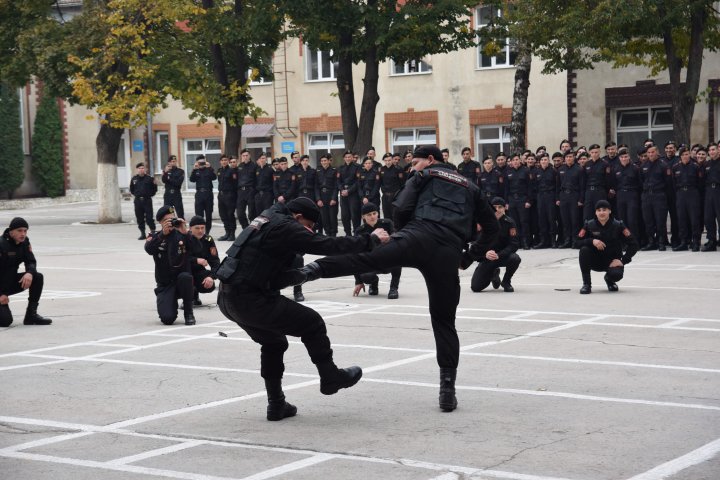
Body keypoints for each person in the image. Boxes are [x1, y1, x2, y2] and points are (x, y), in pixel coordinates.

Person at [291, 145, 499, 412]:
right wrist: (469, 257)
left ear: (430, 160)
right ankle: (447, 388)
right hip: (448, 250)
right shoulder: (472, 187)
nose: (412, 168)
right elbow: (491, 228)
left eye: (416, 163)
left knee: (367, 257)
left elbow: (400, 205)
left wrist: (403, 235)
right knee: (444, 320)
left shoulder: (425, 176)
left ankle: (311, 271)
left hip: (416, 235)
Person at [215, 197, 390, 421]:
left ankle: (276, 404)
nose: (308, 232)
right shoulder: (287, 226)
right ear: (298, 217)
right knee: (312, 323)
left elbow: (268, 271)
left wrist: (302, 275)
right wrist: (369, 240)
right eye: (308, 227)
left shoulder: (269, 216)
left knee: (274, 342)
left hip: (228, 298)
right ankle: (330, 377)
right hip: (250, 300)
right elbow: (326, 245)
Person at [144, 206, 196, 326]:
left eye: (174, 219)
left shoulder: (182, 235)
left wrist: (186, 232)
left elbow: (197, 248)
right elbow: (149, 249)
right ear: (161, 222)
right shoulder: (155, 236)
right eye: (168, 220)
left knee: (186, 277)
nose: (172, 222)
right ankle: (170, 302)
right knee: (167, 319)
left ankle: (189, 312)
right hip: (165, 284)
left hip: (181, 281)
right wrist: (163, 234)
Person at [577, 200, 639, 294]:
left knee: (616, 274)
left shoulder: (618, 225)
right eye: (599, 210)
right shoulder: (589, 225)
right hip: (595, 260)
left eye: (604, 210)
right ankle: (586, 284)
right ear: (595, 212)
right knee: (584, 250)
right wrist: (592, 241)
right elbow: (576, 242)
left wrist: (623, 261)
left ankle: (609, 280)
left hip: (612, 262)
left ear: (609, 211)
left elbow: (634, 244)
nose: (601, 212)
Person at [0, 218, 52, 327]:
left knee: (37, 277)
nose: (23, 234)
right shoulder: (1, 244)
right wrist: (1, 294)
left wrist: (29, 272)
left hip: (9, 282)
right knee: (5, 321)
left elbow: (31, 261)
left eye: (25, 231)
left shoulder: (25, 242)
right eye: (19, 230)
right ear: (11, 231)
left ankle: (31, 316)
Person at [469, 197, 521, 293]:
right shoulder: (482, 223)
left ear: (505, 208)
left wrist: (499, 255)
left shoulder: (510, 223)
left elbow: (514, 244)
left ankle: (506, 281)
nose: (497, 210)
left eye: (500, 207)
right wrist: (485, 254)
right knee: (475, 287)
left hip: (502, 256)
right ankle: (494, 274)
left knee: (515, 258)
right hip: (487, 258)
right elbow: (475, 243)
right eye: (494, 207)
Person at [352, 203, 401, 299]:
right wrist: (358, 281)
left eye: (374, 213)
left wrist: (390, 239)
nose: (372, 216)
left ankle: (393, 288)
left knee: (398, 254)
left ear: (378, 213)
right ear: (363, 217)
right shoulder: (360, 231)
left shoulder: (387, 224)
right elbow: (355, 255)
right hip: (372, 262)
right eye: (369, 215)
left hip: (387, 260)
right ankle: (373, 283)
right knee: (366, 276)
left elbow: (396, 241)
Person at [671, 147, 702, 251]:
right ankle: (683, 242)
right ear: (680, 156)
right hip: (680, 194)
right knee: (681, 219)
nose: (686, 156)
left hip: (692, 193)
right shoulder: (675, 167)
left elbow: (700, 182)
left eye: (687, 154)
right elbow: (673, 183)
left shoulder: (695, 166)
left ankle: (696, 242)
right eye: (683, 154)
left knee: (694, 219)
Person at [188, 215, 219, 306]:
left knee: (209, 284)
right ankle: (187, 299)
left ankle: (195, 294)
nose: (200, 231)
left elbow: (215, 262)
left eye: (202, 228)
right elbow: (179, 259)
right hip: (184, 270)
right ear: (190, 228)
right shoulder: (184, 239)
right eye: (197, 228)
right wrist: (196, 260)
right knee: (186, 278)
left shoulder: (208, 240)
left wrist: (211, 277)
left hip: (198, 271)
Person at [130, 162, 158, 239]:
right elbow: (132, 189)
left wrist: (149, 195)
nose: (141, 170)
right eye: (139, 168)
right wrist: (137, 195)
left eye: (142, 168)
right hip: (138, 201)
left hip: (147, 200)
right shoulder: (134, 179)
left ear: (145, 169)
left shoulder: (149, 179)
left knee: (149, 218)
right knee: (139, 218)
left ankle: (153, 232)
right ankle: (143, 233)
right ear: (137, 170)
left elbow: (154, 189)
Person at [189, 155, 217, 233]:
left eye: (202, 162)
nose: (201, 164)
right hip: (199, 194)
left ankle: (207, 232)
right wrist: (194, 169)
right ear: (197, 162)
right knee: (199, 215)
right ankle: (199, 232)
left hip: (208, 193)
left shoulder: (208, 169)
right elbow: (192, 179)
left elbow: (214, 177)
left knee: (208, 215)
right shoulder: (196, 170)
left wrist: (210, 167)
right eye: (200, 163)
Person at [337, 150, 362, 235]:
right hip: (343, 194)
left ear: (352, 157)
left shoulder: (357, 167)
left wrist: (349, 191)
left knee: (355, 215)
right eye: (346, 157)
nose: (348, 158)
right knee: (344, 216)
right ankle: (348, 234)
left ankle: (356, 233)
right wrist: (342, 190)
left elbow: (358, 181)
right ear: (344, 158)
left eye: (349, 157)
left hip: (353, 194)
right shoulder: (340, 168)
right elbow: (338, 181)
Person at [316, 154, 339, 237]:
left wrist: (333, 198)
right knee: (324, 219)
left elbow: (336, 186)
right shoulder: (318, 171)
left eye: (325, 160)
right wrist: (318, 199)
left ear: (329, 161)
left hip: (331, 197)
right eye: (322, 161)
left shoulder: (334, 171)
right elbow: (316, 187)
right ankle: (328, 235)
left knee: (332, 218)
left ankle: (333, 236)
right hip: (322, 197)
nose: (323, 162)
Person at [216, 155, 238, 241]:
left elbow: (235, 184)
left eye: (225, 160)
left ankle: (232, 234)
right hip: (221, 195)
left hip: (229, 195)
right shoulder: (219, 171)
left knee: (230, 215)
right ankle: (227, 233)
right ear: (220, 162)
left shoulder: (232, 171)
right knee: (223, 215)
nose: (224, 162)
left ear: (228, 161)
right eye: (222, 160)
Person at [236, 149, 257, 229]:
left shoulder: (254, 166)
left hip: (250, 191)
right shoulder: (239, 166)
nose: (245, 157)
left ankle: (253, 231)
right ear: (241, 157)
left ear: (249, 156)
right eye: (243, 156)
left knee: (251, 213)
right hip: (241, 192)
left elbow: (257, 179)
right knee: (240, 213)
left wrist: (254, 190)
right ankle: (246, 229)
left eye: (246, 155)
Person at [379, 153, 404, 219]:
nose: (387, 162)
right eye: (386, 160)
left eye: (389, 160)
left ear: (392, 160)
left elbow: (402, 184)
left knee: (395, 215)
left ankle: (395, 229)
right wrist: (383, 191)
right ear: (384, 161)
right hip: (385, 196)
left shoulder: (398, 169)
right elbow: (380, 182)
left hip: (395, 196)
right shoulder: (381, 169)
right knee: (386, 215)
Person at [161, 155, 185, 219]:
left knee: (180, 213)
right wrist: (165, 172)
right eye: (171, 161)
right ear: (169, 162)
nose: (173, 163)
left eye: (174, 161)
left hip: (176, 195)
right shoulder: (166, 171)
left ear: (176, 162)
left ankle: (182, 227)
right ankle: (171, 227)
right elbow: (163, 180)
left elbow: (178, 183)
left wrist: (169, 179)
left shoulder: (180, 171)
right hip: (168, 196)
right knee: (169, 213)